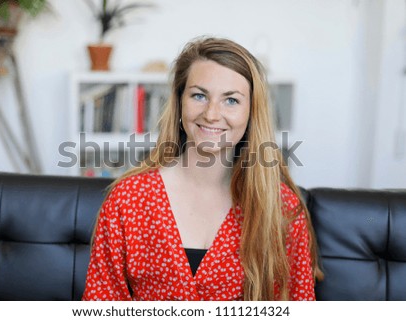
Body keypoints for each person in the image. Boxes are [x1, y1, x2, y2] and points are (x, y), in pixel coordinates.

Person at [82, 36, 323, 301]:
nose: (211, 114)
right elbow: (101, 303)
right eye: (199, 95)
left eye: (231, 100)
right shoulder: (128, 199)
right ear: (179, 102)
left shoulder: (282, 209)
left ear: (252, 112)